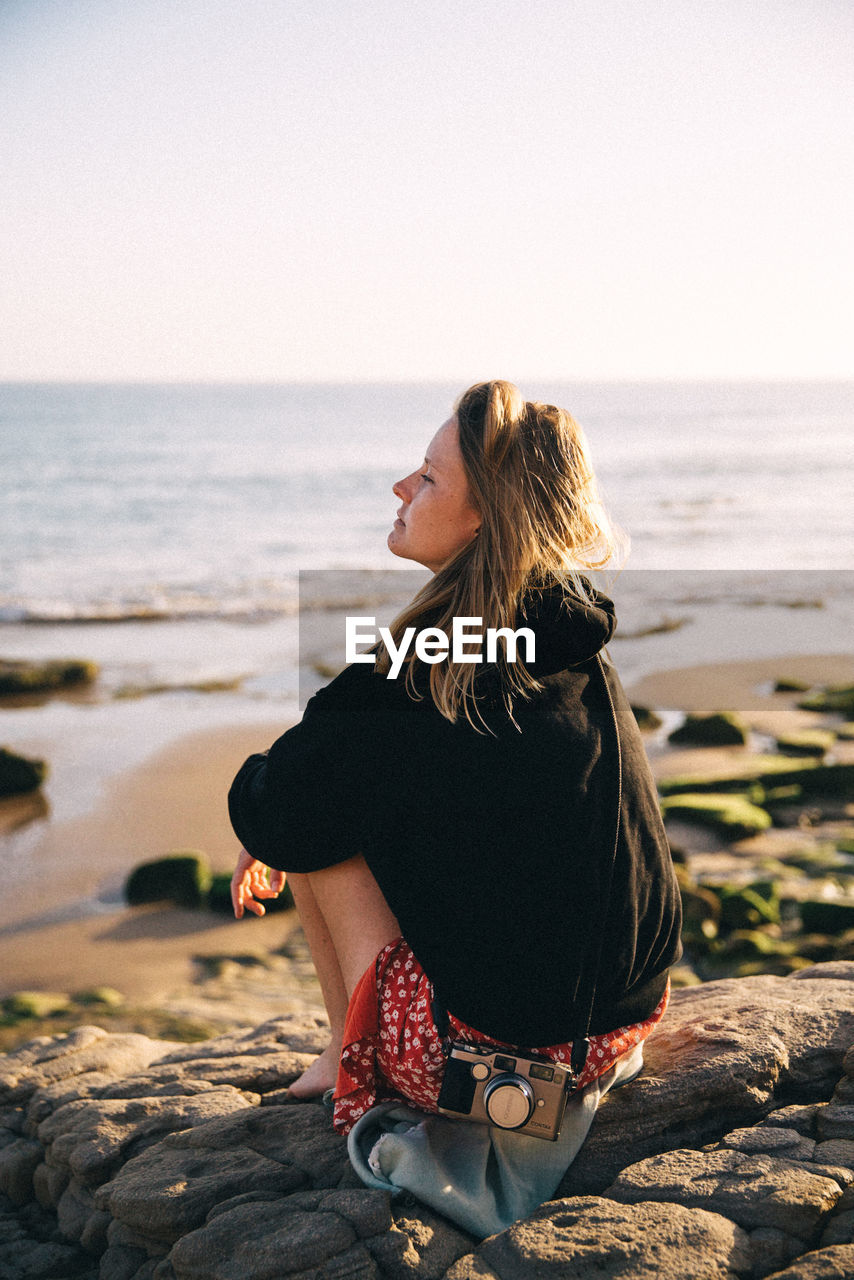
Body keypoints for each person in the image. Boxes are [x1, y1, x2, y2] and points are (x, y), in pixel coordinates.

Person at [228, 380, 682, 1236]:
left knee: (323, 829)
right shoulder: (575, 648)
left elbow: (280, 804)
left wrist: (272, 832)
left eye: (430, 478)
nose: (402, 488)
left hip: (494, 1077)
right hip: (621, 1030)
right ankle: (356, 1049)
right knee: (352, 798)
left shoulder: (421, 666)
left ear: (484, 517)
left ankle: (344, 1058)